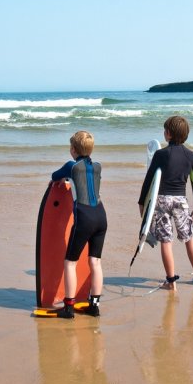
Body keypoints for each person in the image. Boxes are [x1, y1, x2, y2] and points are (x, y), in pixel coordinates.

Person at [138, 115, 193, 289]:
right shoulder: (191, 156)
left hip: (162, 201)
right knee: (189, 238)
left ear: (168, 133)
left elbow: (149, 179)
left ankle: (171, 282)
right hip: (180, 201)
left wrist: (141, 202)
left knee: (166, 241)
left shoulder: (160, 154)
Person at [51, 130, 107, 318]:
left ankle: (68, 308)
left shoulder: (71, 166)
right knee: (95, 262)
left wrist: (62, 179)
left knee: (70, 263)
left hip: (84, 218)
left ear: (73, 150)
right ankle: (94, 306)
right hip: (101, 217)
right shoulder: (98, 166)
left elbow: (55, 175)